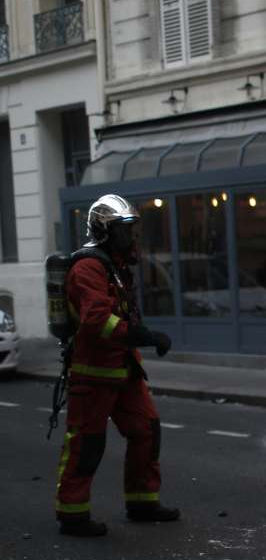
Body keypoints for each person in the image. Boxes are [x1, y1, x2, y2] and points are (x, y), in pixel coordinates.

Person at [54, 194, 179, 537]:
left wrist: (140, 338)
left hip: (123, 369)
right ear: (104, 232)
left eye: (133, 231)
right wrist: (145, 335)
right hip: (93, 373)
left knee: (146, 430)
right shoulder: (88, 267)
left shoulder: (115, 266)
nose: (132, 238)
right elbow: (97, 321)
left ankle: (142, 502)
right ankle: (73, 513)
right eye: (125, 232)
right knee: (87, 442)